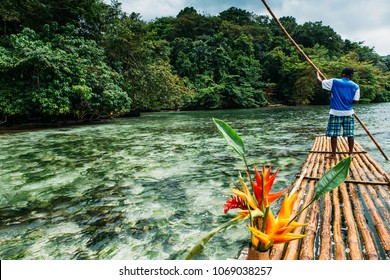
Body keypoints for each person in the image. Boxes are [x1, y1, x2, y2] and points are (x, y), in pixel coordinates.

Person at [317, 67, 360, 160]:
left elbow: (320, 82)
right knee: (350, 134)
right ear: (351, 75)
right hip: (348, 113)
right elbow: (356, 100)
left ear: (343, 74)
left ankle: (333, 154)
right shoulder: (355, 86)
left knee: (334, 134)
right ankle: (350, 154)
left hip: (335, 112)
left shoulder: (334, 81)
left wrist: (317, 73)